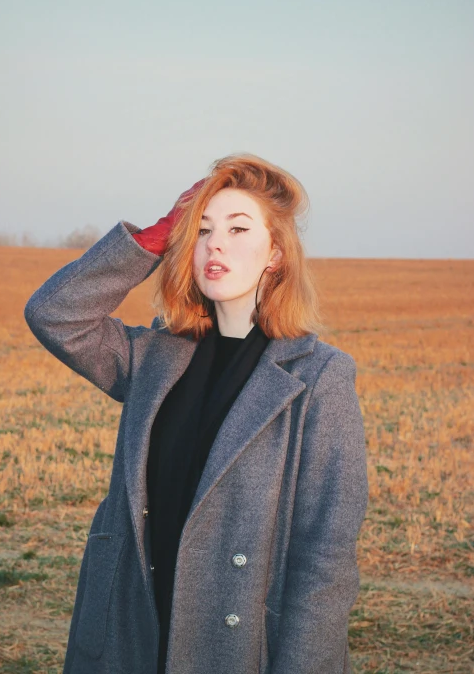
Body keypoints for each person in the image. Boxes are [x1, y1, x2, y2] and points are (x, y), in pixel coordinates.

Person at [24, 153, 368, 674]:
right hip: (131, 632)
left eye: (237, 228)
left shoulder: (319, 378)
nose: (216, 244)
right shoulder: (156, 357)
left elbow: (326, 558)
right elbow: (55, 314)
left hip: (236, 647)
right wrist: (151, 240)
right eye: (202, 229)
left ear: (275, 253)